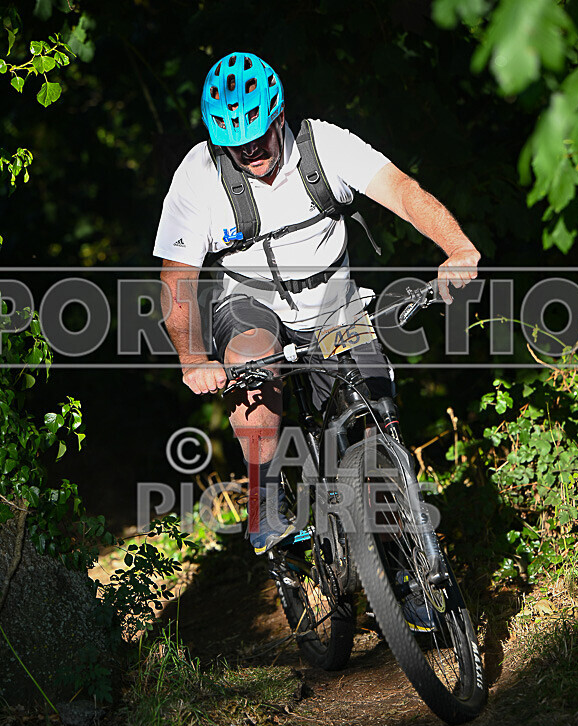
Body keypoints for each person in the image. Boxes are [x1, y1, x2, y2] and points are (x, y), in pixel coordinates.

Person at [154, 52, 480, 554]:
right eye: (236, 147)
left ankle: (404, 568)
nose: (251, 154)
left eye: (259, 139)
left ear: (279, 116)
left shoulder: (323, 144)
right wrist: (194, 359)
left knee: (377, 409)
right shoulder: (199, 174)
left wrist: (456, 248)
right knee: (252, 357)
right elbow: (177, 281)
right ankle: (265, 504)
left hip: (334, 306)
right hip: (250, 301)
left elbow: (403, 192)